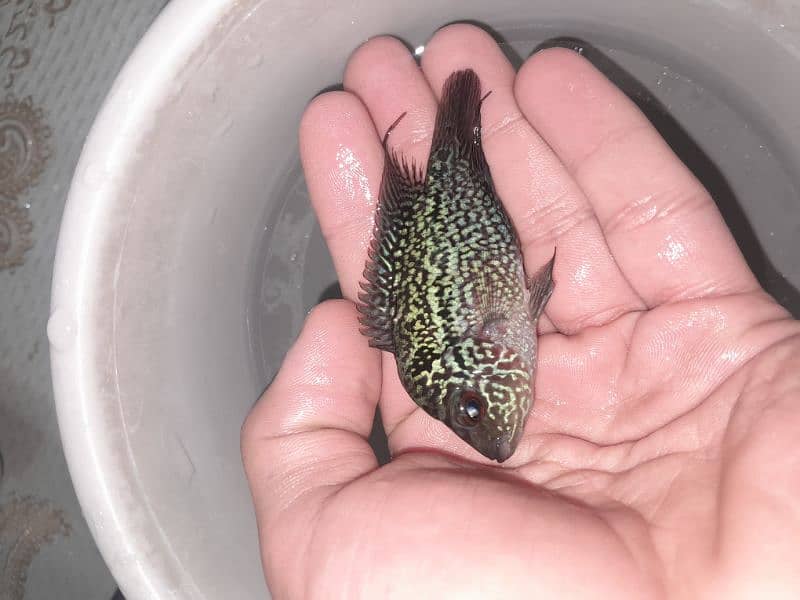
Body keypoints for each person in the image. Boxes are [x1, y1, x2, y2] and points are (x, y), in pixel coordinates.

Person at [241, 24, 800, 599]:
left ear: (474, 359)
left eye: (472, 408)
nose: (494, 438)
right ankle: (459, 138)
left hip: (454, 229)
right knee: (471, 133)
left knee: (467, 135)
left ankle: (458, 136)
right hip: (463, 229)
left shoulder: (485, 344)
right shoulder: (473, 356)